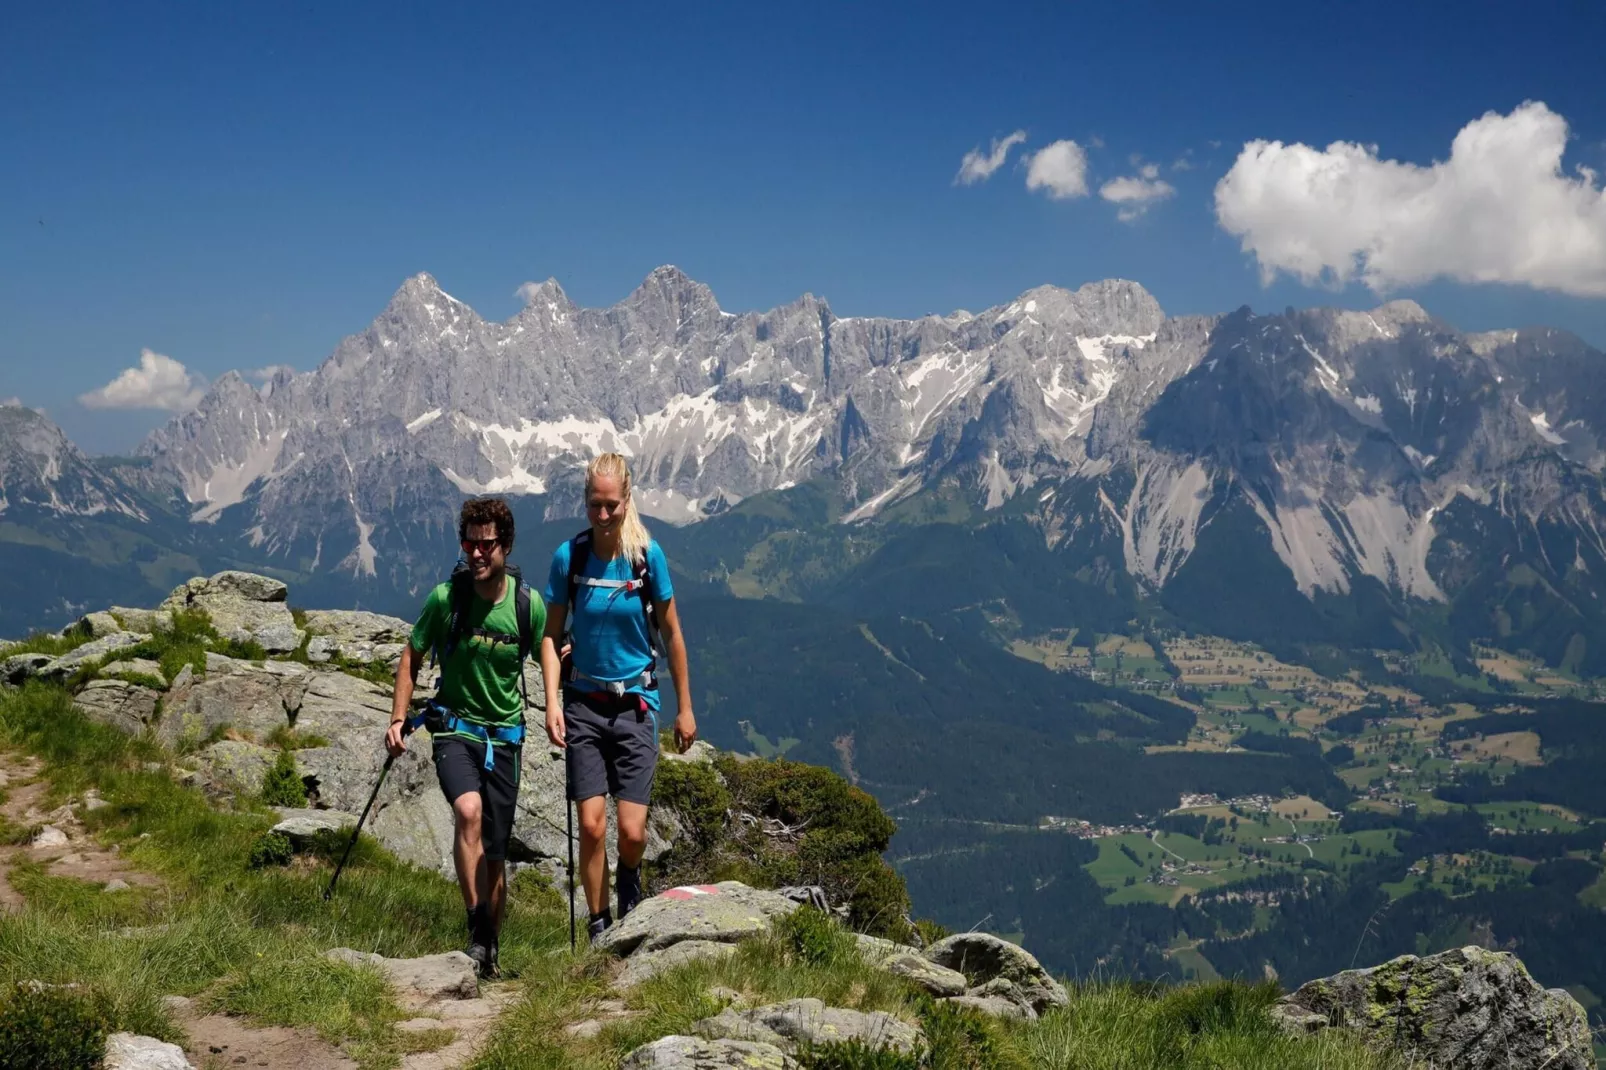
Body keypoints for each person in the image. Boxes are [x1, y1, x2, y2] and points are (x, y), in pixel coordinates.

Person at [386, 496, 544, 978]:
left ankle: (488, 951)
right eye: (469, 543)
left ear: (506, 546)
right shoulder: (446, 599)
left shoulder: (526, 606)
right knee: (468, 811)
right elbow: (411, 657)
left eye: (486, 545)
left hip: (506, 739)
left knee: (496, 855)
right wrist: (397, 720)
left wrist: (566, 703)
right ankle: (477, 929)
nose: (476, 553)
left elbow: (551, 654)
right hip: (454, 729)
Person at [540, 452, 696, 943]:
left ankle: (628, 877)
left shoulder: (648, 557)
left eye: (611, 505)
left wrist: (685, 708)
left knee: (631, 833)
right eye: (594, 505)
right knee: (590, 826)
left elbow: (671, 634)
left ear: (627, 500)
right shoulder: (570, 557)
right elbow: (549, 635)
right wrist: (550, 701)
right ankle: (598, 924)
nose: (603, 515)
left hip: (635, 706)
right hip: (584, 703)